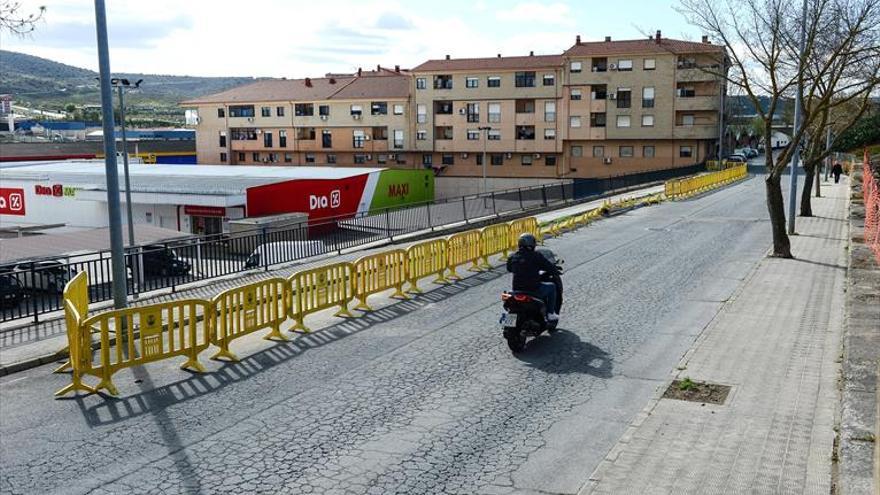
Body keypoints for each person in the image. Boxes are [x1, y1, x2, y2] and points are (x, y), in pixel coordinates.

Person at [506, 233, 559, 321]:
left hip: (516, 289)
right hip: (533, 289)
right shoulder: (536, 256)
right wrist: (555, 271)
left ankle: (509, 321)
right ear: (532, 244)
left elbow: (509, 269)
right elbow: (549, 266)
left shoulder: (513, 256)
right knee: (552, 287)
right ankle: (550, 313)